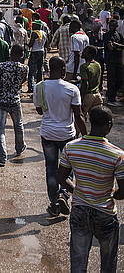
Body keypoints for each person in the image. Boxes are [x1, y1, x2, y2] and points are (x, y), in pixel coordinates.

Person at [58, 106, 124, 273]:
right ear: (109, 125)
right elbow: (123, 191)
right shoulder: (117, 154)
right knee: (108, 264)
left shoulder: (71, 147)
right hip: (105, 214)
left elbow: (61, 178)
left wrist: (78, 191)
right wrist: (113, 194)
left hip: (80, 210)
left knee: (78, 263)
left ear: (89, 121)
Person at [33, 56, 87, 216]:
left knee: (50, 168)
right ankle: (64, 194)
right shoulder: (72, 89)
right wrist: (87, 137)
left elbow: (39, 110)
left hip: (48, 134)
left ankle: (54, 202)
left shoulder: (39, 87)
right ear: (64, 70)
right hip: (67, 135)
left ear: (50, 68)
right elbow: (78, 116)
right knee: (67, 168)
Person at [0, 44, 28, 167]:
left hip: (1, 100)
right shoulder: (24, 68)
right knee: (18, 126)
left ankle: (2, 158)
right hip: (15, 100)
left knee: (0, 130)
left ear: (10, 53)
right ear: (21, 55)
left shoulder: (1, 66)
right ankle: (19, 148)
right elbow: (23, 80)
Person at [103, 19, 124, 107]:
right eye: (110, 26)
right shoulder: (106, 35)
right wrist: (117, 46)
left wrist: (116, 44)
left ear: (116, 26)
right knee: (111, 79)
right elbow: (110, 47)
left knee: (119, 79)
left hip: (119, 60)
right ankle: (111, 98)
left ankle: (112, 95)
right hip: (110, 61)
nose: (112, 27)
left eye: (114, 26)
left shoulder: (119, 35)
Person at [79, 45, 102, 120]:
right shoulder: (97, 65)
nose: (82, 52)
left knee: (80, 118)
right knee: (96, 120)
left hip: (88, 95)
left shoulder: (84, 67)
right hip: (97, 95)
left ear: (89, 54)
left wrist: (81, 99)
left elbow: (85, 83)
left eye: (84, 51)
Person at [26, 21, 47, 93]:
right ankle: (39, 87)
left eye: (33, 25)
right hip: (41, 51)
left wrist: (26, 44)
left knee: (31, 70)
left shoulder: (34, 33)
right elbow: (46, 43)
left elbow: (31, 44)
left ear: (37, 26)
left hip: (34, 52)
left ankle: (30, 88)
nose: (32, 26)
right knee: (39, 70)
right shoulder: (44, 33)